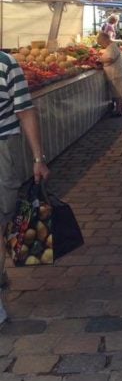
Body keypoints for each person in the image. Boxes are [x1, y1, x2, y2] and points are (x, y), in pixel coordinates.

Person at [0, 51, 50, 324]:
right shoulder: (6, 64)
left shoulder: (6, 64)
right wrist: (38, 159)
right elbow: (24, 111)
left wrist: (38, 159)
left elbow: (25, 111)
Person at [97, 32, 122, 116]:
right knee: (117, 92)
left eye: (101, 43)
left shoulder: (112, 47)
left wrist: (100, 60)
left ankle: (119, 110)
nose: (101, 45)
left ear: (105, 40)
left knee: (117, 93)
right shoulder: (111, 46)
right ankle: (120, 108)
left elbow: (110, 59)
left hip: (115, 73)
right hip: (114, 73)